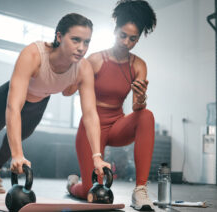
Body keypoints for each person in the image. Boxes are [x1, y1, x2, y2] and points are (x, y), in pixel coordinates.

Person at [0, 13, 110, 194]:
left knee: (12, 144)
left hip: (37, 105)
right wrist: (18, 155)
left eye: (87, 42)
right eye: (76, 40)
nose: (82, 48)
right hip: (7, 100)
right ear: (59, 36)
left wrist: (97, 157)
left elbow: (90, 114)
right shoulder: (34, 54)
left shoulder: (83, 68)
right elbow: (13, 106)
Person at [67, 0, 157, 211]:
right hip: (91, 129)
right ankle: (74, 185)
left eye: (132, 38)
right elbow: (70, 90)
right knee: (91, 192)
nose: (126, 42)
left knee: (146, 115)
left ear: (138, 38)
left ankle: (140, 190)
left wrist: (141, 98)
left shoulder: (138, 65)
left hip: (117, 126)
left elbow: (137, 108)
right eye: (122, 35)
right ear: (115, 30)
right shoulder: (96, 59)